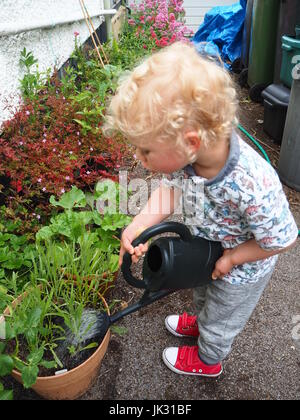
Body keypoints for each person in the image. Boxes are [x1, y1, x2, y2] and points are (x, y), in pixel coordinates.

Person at [104, 41, 298, 377]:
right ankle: (201, 320)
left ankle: (208, 359)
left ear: (190, 141)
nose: (139, 159)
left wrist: (233, 258)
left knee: (222, 316)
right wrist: (137, 225)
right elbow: (171, 191)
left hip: (241, 270)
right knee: (202, 291)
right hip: (207, 249)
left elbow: (283, 239)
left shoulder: (253, 183)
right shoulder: (190, 158)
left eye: (145, 150)